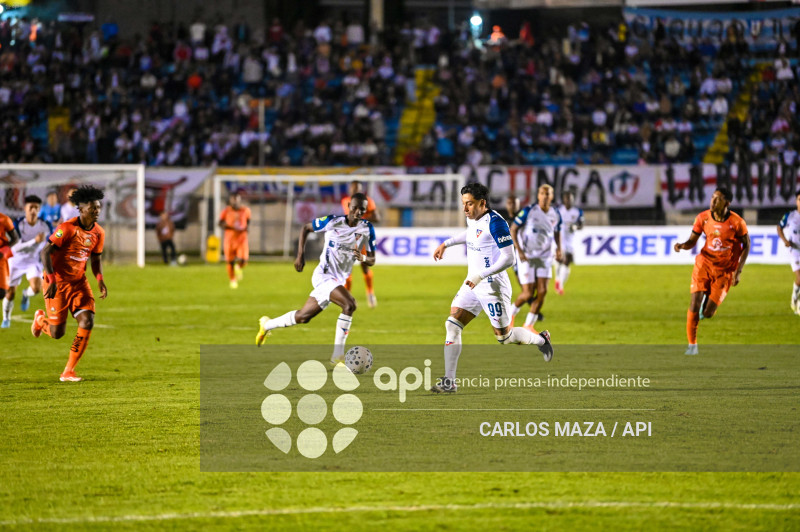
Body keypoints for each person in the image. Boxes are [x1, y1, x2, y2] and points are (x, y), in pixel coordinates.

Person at [430, 183, 553, 394]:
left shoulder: (497, 223)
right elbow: (470, 234)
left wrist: (481, 275)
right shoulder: (474, 219)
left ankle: (541, 339)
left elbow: (509, 258)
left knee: (504, 337)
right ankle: (449, 382)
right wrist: (447, 243)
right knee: (452, 324)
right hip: (473, 282)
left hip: (492, 286)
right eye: (463, 204)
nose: (465, 208)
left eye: (469, 204)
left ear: (482, 203)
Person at [256, 193, 376, 365]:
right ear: (349, 205)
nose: (358, 212)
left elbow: (372, 259)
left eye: (362, 210)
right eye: (355, 207)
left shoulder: (367, 228)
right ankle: (337, 355)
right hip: (324, 276)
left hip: (338, 281)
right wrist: (300, 256)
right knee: (350, 305)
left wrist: (363, 258)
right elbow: (305, 228)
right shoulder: (333, 221)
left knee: (303, 317)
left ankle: (266, 325)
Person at [31, 185, 108, 382]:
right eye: (92, 208)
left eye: (98, 207)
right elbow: (45, 252)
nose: (96, 211)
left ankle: (68, 371)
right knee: (57, 333)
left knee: (87, 321)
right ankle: (41, 321)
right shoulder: (67, 228)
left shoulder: (98, 233)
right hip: (56, 282)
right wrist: (51, 279)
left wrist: (100, 280)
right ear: (81, 209)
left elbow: (96, 259)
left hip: (79, 282)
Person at [674, 187, 749, 355]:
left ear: (727, 203)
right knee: (694, 302)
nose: (713, 201)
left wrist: (738, 271)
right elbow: (692, 240)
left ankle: (704, 309)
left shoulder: (737, 223)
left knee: (708, 313)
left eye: (718, 199)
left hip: (725, 271)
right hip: (704, 264)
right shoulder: (703, 217)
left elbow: (747, 245)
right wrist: (682, 246)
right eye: (713, 197)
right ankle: (692, 345)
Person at [509, 184, 562, 332]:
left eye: (548, 194)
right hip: (527, 256)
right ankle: (510, 315)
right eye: (542, 193)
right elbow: (513, 229)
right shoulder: (529, 211)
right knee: (527, 293)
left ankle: (529, 325)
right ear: (538, 195)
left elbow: (557, 232)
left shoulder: (556, 213)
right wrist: (519, 250)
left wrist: (559, 248)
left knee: (543, 291)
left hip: (545, 256)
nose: (545, 196)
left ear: (551, 196)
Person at [2, 196, 51, 328]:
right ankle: (6, 319)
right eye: (31, 207)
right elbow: (15, 247)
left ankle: (25, 294)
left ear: (39, 209)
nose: (33, 210)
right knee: (10, 292)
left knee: (36, 288)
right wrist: (34, 241)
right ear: (25, 209)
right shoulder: (18, 224)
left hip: (32, 262)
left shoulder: (45, 225)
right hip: (15, 261)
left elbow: (51, 243)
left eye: (36, 207)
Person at [341, 180, 381, 308]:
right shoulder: (345, 201)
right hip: (348, 238)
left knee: (365, 266)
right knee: (347, 269)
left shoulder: (367, 201)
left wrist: (362, 219)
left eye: (357, 189)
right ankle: (347, 297)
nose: (355, 191)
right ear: (350, 190)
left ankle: (370, 293)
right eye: (353, 189)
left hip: (362, 237)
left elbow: (377, 218)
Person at [554, 189, 584, 295]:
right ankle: (559, 283)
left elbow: (581, 225)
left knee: (568, 260)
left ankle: (558, 282)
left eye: (570, 199)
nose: (568, 201)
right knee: (561, 259)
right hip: (559, 238)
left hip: (571, 239)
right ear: (563, 200)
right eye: (567, 199)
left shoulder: (577, 212)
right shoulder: (558, 210)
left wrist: (575, 226)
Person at [218, 192, 251, 289]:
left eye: (237, 199)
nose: (235, 202)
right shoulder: (226, 211)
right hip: (230, 240)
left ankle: (239, 267)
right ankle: (232, 280)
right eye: (233, 200)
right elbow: (220, 223)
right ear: (230, 200)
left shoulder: (245, 210)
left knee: (244, 260)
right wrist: (230, 227)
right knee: (230, 262)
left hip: (242, 239)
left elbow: (248, 221)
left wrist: (246, 228)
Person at [777, 189, 800, 315]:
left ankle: (795, 300)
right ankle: (795, 300)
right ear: (796, 201)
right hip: (795, 251)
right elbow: (779, 227)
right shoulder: (790, 216)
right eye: (799, 199)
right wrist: (785, 240)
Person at [0, 210, 21, 318]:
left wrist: (4, 251)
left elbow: (15, 238)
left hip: (0, 258)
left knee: (2, 292)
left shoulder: (5, 220)